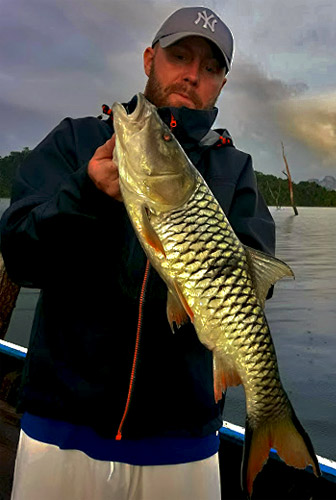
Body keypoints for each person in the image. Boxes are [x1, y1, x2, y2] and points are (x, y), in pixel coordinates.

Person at [0, 6, 275, 500]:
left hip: (182, 441)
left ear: (220, 85)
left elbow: (253, 289)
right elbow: (20, 256)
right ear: (151, 58)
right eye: (179, 56)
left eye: (209, 68)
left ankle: (271, 415)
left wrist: (208, 299)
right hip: (61, 432)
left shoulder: (235, 170)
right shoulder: (76, 142)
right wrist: (83, 194)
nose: (191, 75)